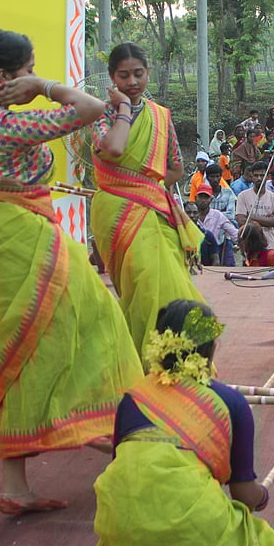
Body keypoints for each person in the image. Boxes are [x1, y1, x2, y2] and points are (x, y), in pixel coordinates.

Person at [0, 29, 137, 514]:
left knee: (9, 349)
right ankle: (107, 430)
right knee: (95, 322)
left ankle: (16, 485)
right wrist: (45, 86)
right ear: (4, 78)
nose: (31, 76)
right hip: (25, 239)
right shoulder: (4, 125)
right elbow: (90, 109)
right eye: (25, 69)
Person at [75, 300, 274, 546]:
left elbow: (124, 468)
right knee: (256, 538)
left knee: (144, 520)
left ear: (160, 344)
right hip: (190, 526)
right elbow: (244, 494)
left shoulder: (133, 397)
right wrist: (261, 498)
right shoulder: (230, 402)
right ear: (210, 349)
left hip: (122, 527)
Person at [91, 43, 204, 362]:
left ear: (148, 73)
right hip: (115, 211)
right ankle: (144, 362)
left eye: (138, 74)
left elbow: (176, 168)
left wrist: (146, 188)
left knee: (171, 279)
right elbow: (113, 148)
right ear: (112, 78)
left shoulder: (160, 116)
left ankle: (183, 356)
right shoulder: (101, 113)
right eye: (123, 76)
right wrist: (124, 107)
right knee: (138, 283)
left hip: (155, 210)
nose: (132, 82)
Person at [235, 161, 274, 264]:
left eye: (262, 175)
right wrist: (267, 220)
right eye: (256, 175)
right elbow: (241, 220)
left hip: (269, 246)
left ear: (267, 176)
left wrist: (250, 216)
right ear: (252, 176)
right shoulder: (243, 196)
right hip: (249, 246)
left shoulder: (273, 197)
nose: (259, 178)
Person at [195, 183, 238, 266]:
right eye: (201, 197)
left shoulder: (217, 215)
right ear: (196, 198)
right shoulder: (190, 214)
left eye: (206, 197)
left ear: (211, 199)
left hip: (212, 253)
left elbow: (234, 233)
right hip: (194, 251)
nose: (203, 200)